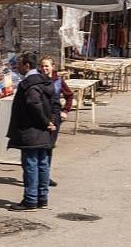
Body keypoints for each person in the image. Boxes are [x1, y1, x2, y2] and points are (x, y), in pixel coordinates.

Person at [6, 52, 56, 211]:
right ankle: (42, 198)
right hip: (43, 132)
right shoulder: (46, 81)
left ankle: (31, 200)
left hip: (31, 131)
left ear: (27, 66)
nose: (17, 67)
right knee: (42, 164)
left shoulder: (29, 84)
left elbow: (34, 104)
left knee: (31, 166)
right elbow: (55, 103)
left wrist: (46, 122)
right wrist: (51, 122)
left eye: (20, 64)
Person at [38, 56, 72, 188]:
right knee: (39, 146)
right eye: (42, 66)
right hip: (40, 116)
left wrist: (65, 111)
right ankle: (39, 175)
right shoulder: (37, 80)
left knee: (49, 146)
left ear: (53, 67)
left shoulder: (58, 81)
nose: (44, 68)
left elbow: (69, 96)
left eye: (47, 66)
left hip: (54, 116)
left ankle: (45, 176)